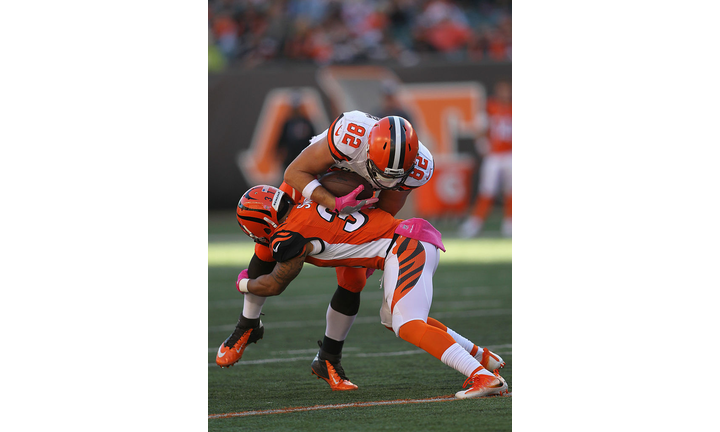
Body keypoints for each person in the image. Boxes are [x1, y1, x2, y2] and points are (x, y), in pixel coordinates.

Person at [220, 185, 508, 399]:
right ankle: (482, 357)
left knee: (407, 323)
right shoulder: (308, 203)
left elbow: (274, 285)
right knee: (392, 318)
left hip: (405, 247)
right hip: (409, 241)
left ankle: (482, 376)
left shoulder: (287, 236)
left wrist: (243, 283)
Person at [216, 111, 436, 391]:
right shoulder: (349, 136)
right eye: (380, 170)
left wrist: (363, 241)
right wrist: (333, 201)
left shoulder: (418, 166)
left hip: (361, 199)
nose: (386, 178)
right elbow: (295, 173)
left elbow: (387, 209)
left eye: (394, 176)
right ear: (367, 148)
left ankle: (328, 358)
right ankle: (247, 323)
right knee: (269, 243)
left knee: (353, 281)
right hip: (315, 180)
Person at [459, 80, 512, 238]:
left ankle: (510, 223)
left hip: (511, 154)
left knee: (511, 191)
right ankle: (475, 222)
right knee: (486, 190)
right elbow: (480, 128)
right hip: (494, 155)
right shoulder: (490, 106)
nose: (504, 94)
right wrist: (482, 144)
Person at [276, 93, 316, 171]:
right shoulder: (287, 123)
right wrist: (281, 154)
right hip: (290, 157)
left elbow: (313, 139)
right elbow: (281, 140)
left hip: (303, 156)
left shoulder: (306, 122)